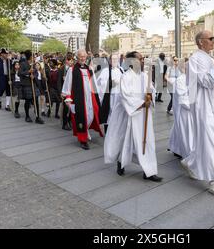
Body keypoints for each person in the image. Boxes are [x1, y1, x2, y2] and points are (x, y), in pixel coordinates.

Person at [180, 30, 214, 199]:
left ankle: (190, 162)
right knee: (212, 141)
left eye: (213, 38)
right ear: (200, 42)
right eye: (210, 39)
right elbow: (205, 81)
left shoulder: (209, 59)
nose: (213, 41)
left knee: (208, 139)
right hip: (202, 107)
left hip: (212, 105)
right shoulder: (195, 60)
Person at [111, 51, 162, 182]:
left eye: (143, 58)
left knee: (147, 141)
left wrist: (150, 96)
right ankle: (121, 161)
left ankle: (149, 171)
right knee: (128, 140)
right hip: (133, 114)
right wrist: (141, 104)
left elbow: (151, 89)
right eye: (140, 58)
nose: (143, 60)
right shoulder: (125, 77)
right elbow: (125, 96)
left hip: (145, 113)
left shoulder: (145, 75)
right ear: (132, 61)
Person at [61, 49, 103, 150]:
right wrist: (68, 99)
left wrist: (98, 96)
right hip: (79, 99)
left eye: (84, 56)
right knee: (80, 119)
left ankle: (86, 130)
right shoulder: (72, 70)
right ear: (77, 57)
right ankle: (83, 140)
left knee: (90, 116)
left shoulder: (90, 69)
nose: (83, 58)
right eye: (81, 56)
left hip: (89, 98)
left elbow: (94, 84)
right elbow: (67, 85)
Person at [167, 58, 193, 159]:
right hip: (184, 110)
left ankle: (176, 148)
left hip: (189, 109)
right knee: (185, 131)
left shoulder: (190, 79)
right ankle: (187, 153)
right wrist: (194, 106)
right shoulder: (181, 80)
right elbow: (183, 98)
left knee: (179, 128)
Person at [19, 50, 45, 124]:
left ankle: (37, 117)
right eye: (33, 56)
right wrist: (28, 72)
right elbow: (20, 73)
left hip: (34, 84)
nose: (34, 57)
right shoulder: (23, 64)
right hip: (27, 85)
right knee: (27, 101)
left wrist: (34, 76)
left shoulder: (34, 64)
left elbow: (36, 72)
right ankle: (27, 116)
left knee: (36, 101)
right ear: (30, 56)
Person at [60, 53, 74, 131]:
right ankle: (64, 123)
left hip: (71, 90)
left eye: (72, 60)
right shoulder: (62, 69)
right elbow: (58, 81)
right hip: (65, 91)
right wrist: (60, 92)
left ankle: (70, 121)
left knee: (71, 107)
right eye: (69, 60)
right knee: (65, 108)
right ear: (66, 61)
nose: (71, 62)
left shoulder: (73, 69)